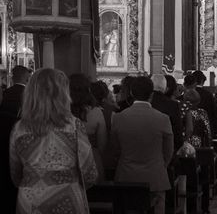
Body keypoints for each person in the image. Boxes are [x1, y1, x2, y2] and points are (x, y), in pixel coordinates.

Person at [10, 68, 97, 213]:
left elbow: (15, 174)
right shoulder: (73, 126)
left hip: (31, 200)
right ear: (62, 94)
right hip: (67, 198)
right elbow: (89, 173)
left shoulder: (19, 128)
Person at [111, 76, 174, 214]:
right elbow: (169, 151)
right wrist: (159, 166)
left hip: (126, 177)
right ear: (151, 94)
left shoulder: (119, 118)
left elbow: (115, 150)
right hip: (155, 177)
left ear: (132, 94)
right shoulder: (163, 119)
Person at [70, 73, 108, 181]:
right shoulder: (96, 112)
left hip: (68, 161)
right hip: (92, 159)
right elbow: (102, 145)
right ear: (88, 90)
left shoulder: (61, 112)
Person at [151, 74, 183, 152]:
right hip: (166, 147)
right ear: (165, 88)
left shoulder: (146, 101)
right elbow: (177, 130)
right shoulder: (173, 105)